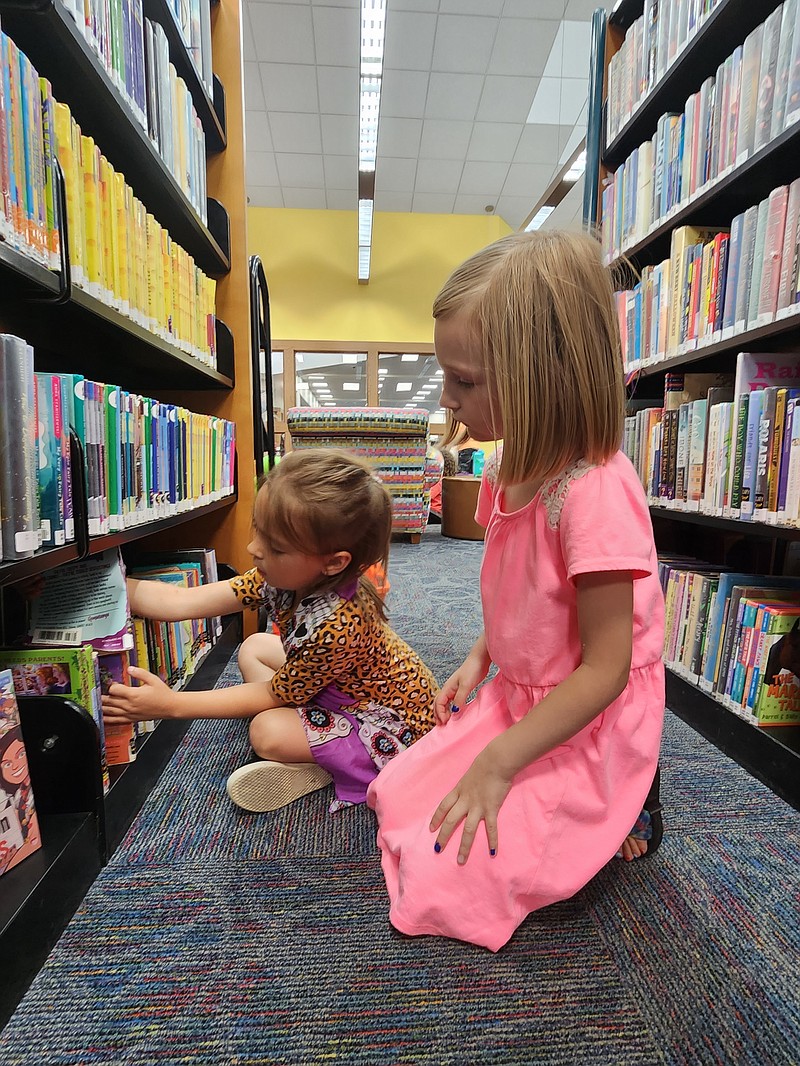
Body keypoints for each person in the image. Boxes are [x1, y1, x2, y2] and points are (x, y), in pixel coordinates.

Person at [366, 230, 665, 951]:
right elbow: (524, 596)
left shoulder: (591, 495)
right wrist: (481, 656)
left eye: (464, 381)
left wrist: (499, 762)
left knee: (450, 874)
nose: (447, 399)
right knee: (400, 793)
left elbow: (606, 667)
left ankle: (633, 803)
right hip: (523, 692)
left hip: (587, 713)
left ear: (541, 377)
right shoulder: (505, 469)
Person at [102, 450, 438, 814]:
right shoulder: (280, 576)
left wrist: (171, 706)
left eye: (275, 546)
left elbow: (272, 695)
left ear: (333, 562)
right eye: (258, 530)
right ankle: (314, 746)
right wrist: (107, 584)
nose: (253, 549)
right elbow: (181, 602)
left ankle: (327, 765)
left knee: (266, 731)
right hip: (339, 687)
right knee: (255, 646)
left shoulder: (340, 625)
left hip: (385, 719)